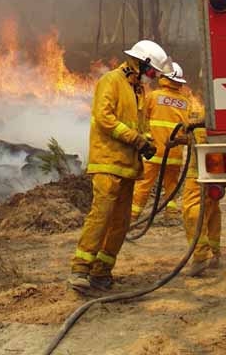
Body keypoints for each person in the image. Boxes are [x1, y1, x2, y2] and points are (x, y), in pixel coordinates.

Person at [68, 40, 173, 293]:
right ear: (141, 63)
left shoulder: (138, 90)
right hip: (107, 161)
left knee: (121, 223)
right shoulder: (111, 81)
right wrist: (136, 140)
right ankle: (80, 269)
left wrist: (147, 142)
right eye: (152, 71)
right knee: (101, 216)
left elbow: (141, 126)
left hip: (128, 165)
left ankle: (101, 271)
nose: (152, 77)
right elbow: (104, 118)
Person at [131, 62, 189, 224]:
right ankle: (171, 215)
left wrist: (143, 136)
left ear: (164, 78)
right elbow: (186, 128)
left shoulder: (154, 97)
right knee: (172, 185)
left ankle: (132, 217)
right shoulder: (185, 102)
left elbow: (142, 117)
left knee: (143, 184)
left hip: (154, 151)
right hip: (175, 153)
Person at [183, 104, 222, 277]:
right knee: (211, 209)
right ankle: (214, 253)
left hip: (198, 174)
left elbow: (195, 132)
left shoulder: (195, 106)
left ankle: (200, 256)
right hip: (217, 170)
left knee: (193, 211)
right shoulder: (213, 103)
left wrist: (194, 125)